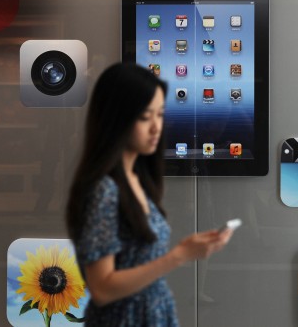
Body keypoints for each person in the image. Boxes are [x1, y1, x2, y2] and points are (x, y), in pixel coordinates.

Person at [66, 62, 232, 326]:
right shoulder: (104, 191)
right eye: (145, 117)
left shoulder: (137, 179)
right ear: (115, 119)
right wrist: (179, 256)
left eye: (161, 115)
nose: (156, 127)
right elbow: (102, 289)